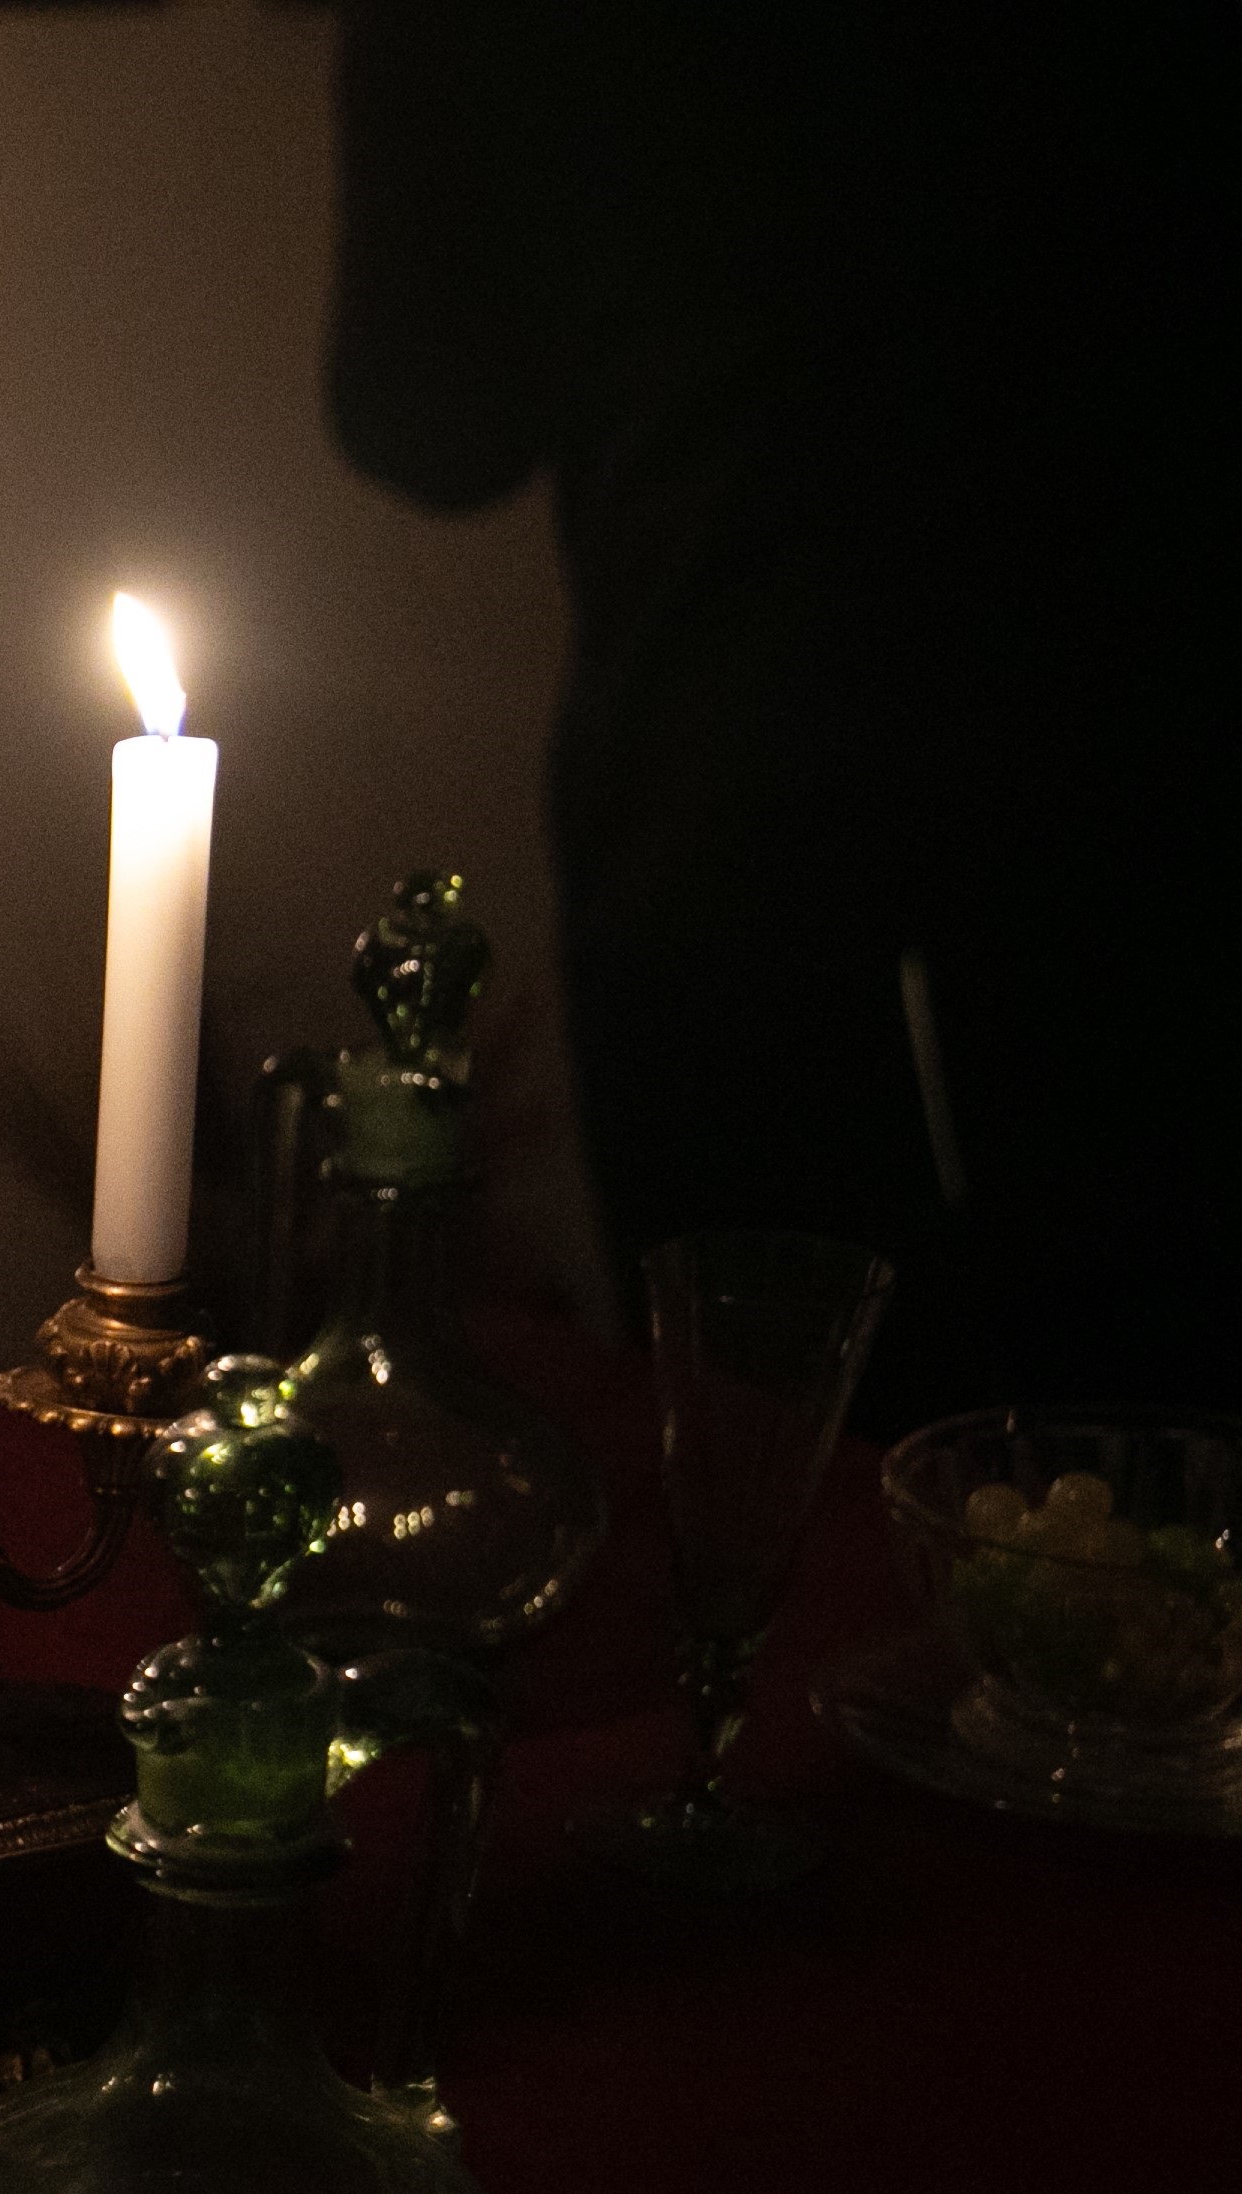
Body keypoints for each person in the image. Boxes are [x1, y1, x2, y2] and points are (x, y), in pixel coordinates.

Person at [325, 4, 1232, 1430]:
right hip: (1130, 732)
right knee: (1156, 1446)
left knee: (786, 1462)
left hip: (731, 780)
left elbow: (423, 414)